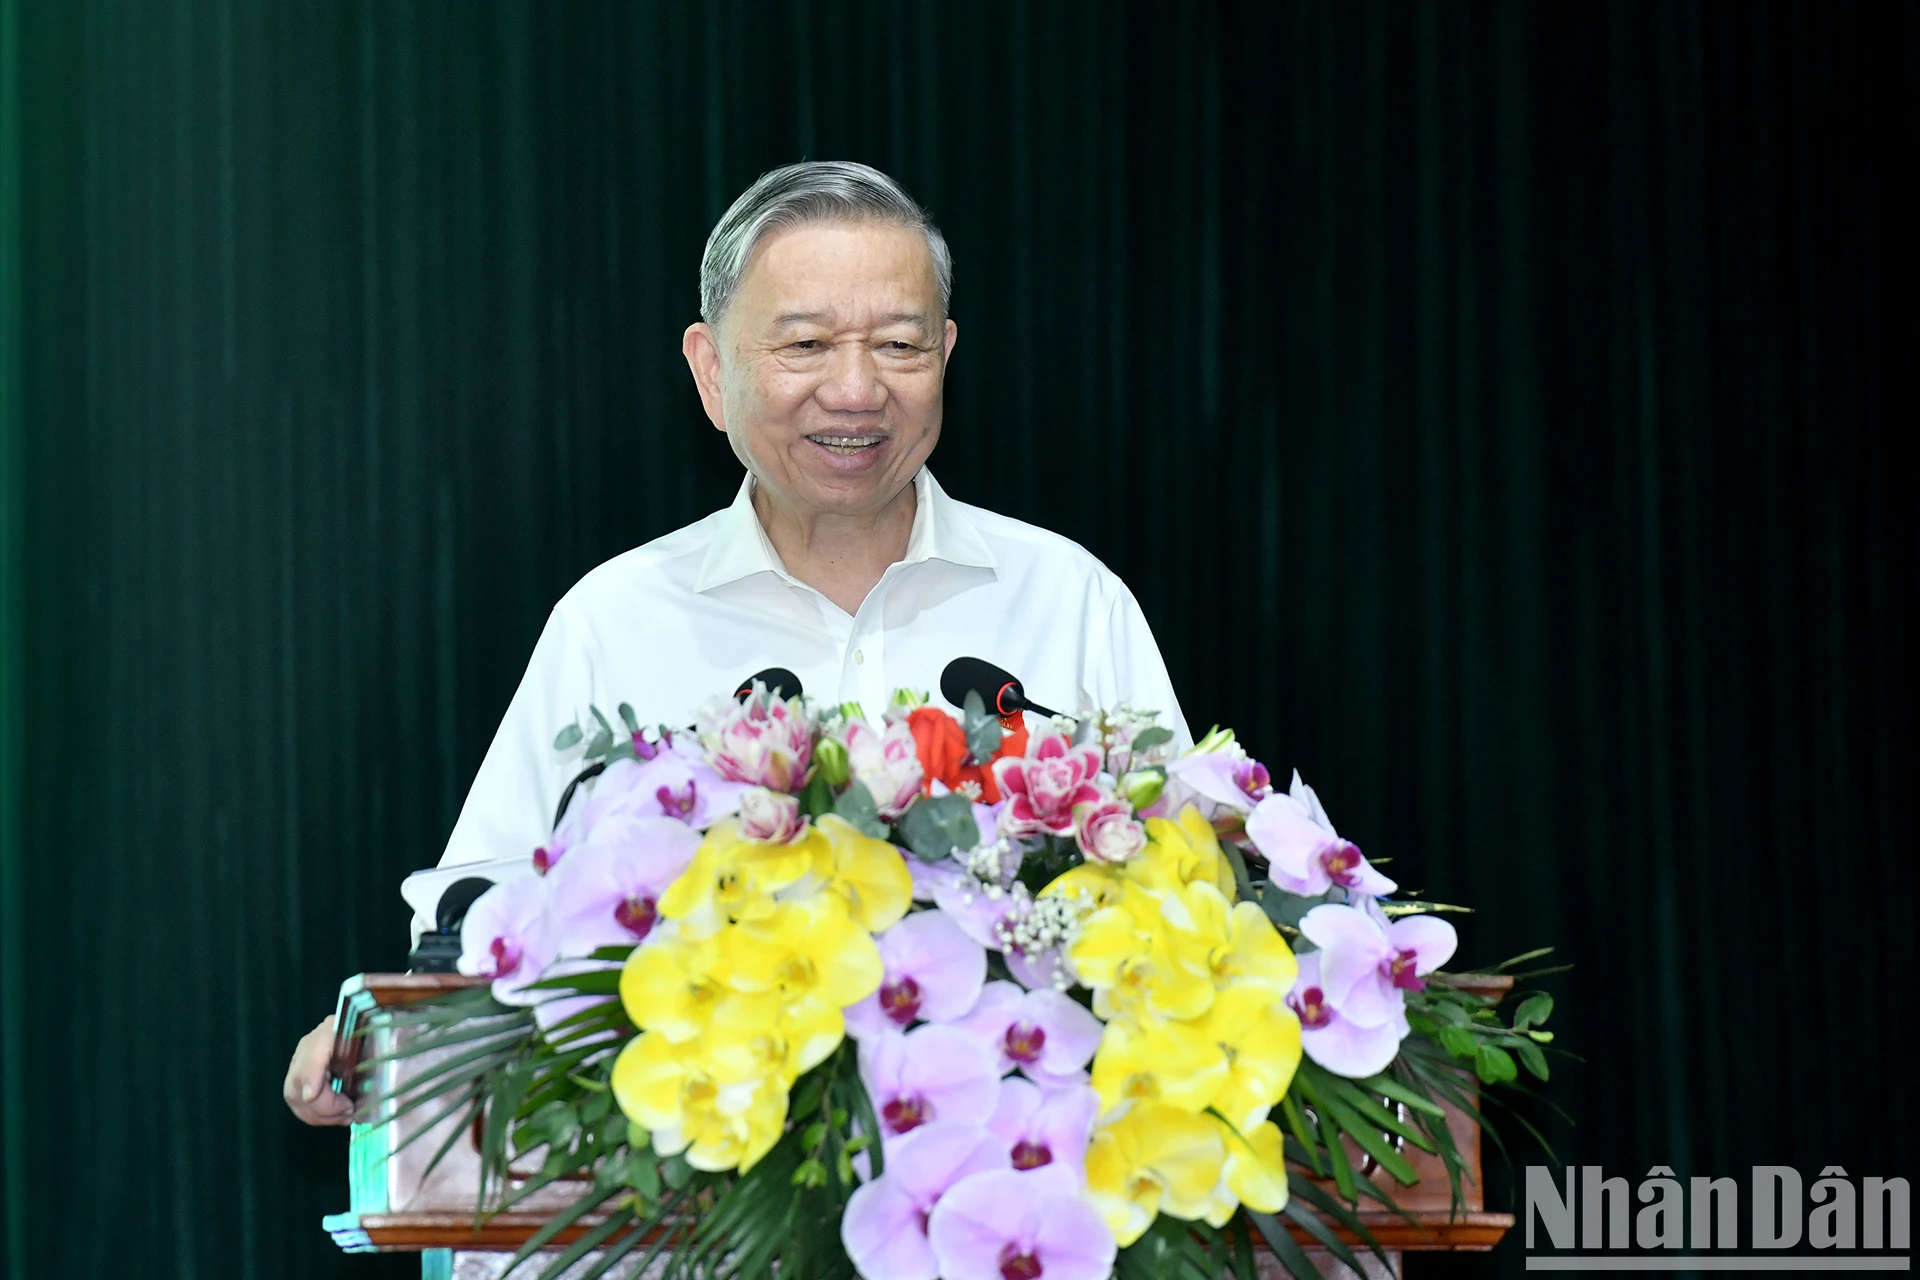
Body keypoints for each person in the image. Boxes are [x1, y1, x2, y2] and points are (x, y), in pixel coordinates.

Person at [284, 161, 1188, 1125]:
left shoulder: (1067, 600)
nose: (856, 388)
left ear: (947, 356)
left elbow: (1196, 889)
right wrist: (388, 1030)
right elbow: (479, 916)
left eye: (899, 344)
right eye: (805, 343)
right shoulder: (617, 620)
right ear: (712, 372)